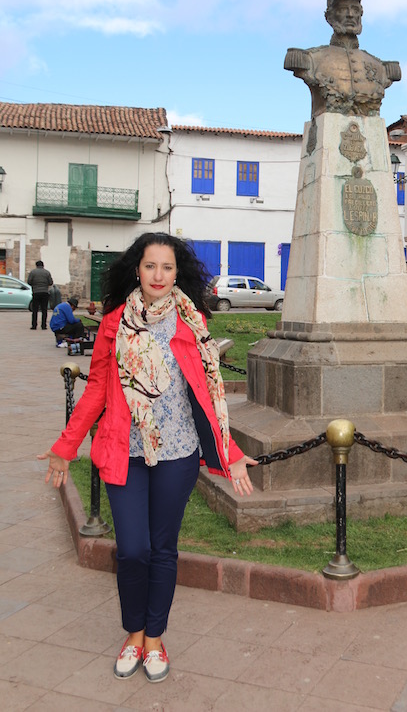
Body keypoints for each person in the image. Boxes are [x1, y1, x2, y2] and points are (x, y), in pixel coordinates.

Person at [38, 233, 257, 684]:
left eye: (167, 267)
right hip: (127, 451)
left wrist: (230, 453)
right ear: (137, 269)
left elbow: (208, 395)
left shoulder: (191, 322)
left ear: (178, 273)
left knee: (163, 549)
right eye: (150, 265)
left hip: (177, 454)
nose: (158, 275)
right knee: (133, 550)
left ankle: (152, 638)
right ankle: (132, 633)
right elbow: (96, 390)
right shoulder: (115, 323)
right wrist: (65, 447)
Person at [284, 0, 401, 118]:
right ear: (329, 17)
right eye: (343, 9)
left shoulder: (383, 68)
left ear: (360, 15)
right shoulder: (309, 59)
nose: (350, 14)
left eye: (355, 10)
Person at [27, 260, 53, 330]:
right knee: (44, 310)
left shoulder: (33, 272)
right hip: (45, 292)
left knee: (35, 310)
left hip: (36, 292)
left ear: (36, 265)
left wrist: (34, 285)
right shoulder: (47, 272)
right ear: (43, 265)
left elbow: (29, 281)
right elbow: (50, 282)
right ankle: (43, 325)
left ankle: (34, 325)